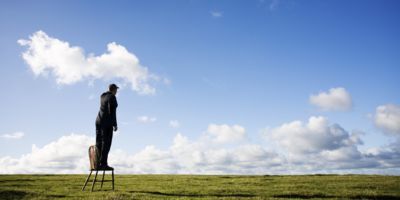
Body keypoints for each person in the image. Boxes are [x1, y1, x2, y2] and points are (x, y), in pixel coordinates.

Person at [95, 83, 119, 170]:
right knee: (107, 143)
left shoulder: (102, 96)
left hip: (98, 120)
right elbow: (112, 111)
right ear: (114, 90)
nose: (116, 92)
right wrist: (115, 124)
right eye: (116, 90)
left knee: (99, 142)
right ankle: (103, 164)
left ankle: (97, 163)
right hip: (107, 122)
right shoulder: (112, 97)